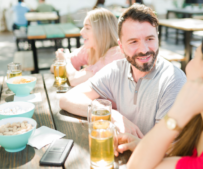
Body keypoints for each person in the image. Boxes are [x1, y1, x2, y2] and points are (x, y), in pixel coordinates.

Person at [116, 27, 203, 169]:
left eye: (195, 57)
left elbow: (136, 167)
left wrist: (177, 113)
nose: (188, 66)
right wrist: (141, 146)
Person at [59, 4, 186, 138]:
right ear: (121, 46)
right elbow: (67, 99)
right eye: (133, 42)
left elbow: (167, 145)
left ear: (157, 37)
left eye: (150, 39)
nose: (144, 49)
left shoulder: (173, 79)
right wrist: (112, 115)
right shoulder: (116, 70)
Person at [50, 8, 124, 87]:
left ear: (102, 32)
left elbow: (75, 81)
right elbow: (53, 68)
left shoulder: (115, 54)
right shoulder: (90, 49)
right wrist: (63, 60)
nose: (81, 32)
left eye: (87, 28)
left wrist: (65, 61)